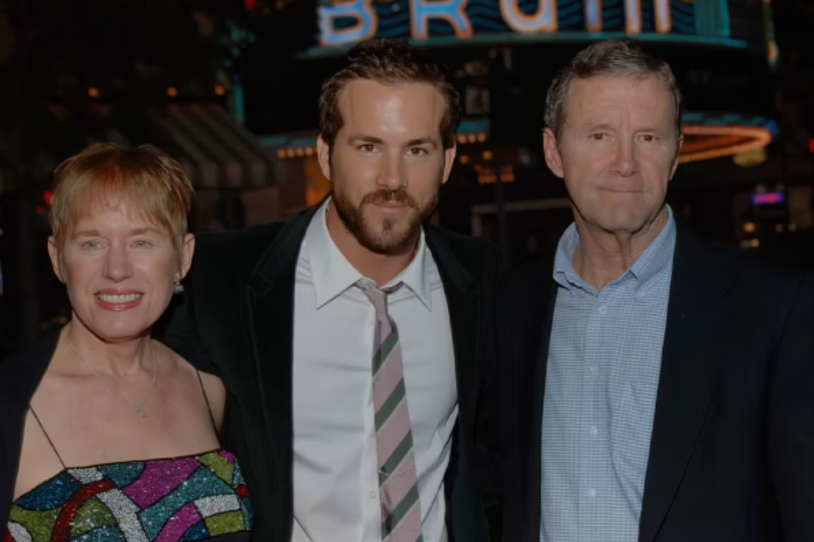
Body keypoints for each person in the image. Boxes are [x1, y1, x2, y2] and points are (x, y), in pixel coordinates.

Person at [159, 38, 500, 542]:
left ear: (447, 160)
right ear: (325, 152)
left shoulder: (479, 277)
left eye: (417, 149)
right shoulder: (220, 277)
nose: (392, 177)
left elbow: (489, 461)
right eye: (368, 147)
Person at [497, 39, 814, 542]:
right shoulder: (512, 308)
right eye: (599, 135)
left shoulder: (772, 308)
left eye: (647, 137)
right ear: (554, 151)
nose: (625, 162)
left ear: (675, 155)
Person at [0, 143, 253, 541]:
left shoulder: (210, 387)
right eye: (92, 244)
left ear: (183, 258)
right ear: (57, 258)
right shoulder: (11, 403)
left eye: (141, 242)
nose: (117, 269)